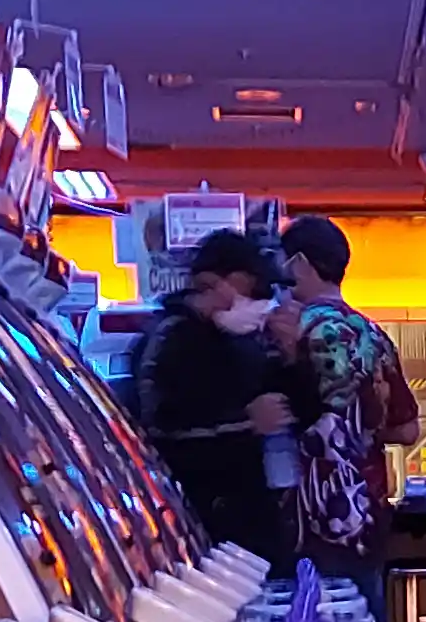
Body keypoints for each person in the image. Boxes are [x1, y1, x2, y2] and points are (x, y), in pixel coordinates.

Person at [133, 229, 313, 566]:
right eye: (254, 289)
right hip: (203, 529)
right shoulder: (172, 339)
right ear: (214, 284)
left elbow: (301, 411)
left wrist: (292, 358)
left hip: (258, 523)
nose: (262, 301)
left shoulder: (246, 342)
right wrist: (246, 424)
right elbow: (160, 434)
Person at [276, 213, 421, 587]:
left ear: (300, 264)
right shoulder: (373, 335)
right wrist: (361, 430)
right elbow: (407, 430)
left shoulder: (285, 331)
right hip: (366, 516)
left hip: (302, 519)